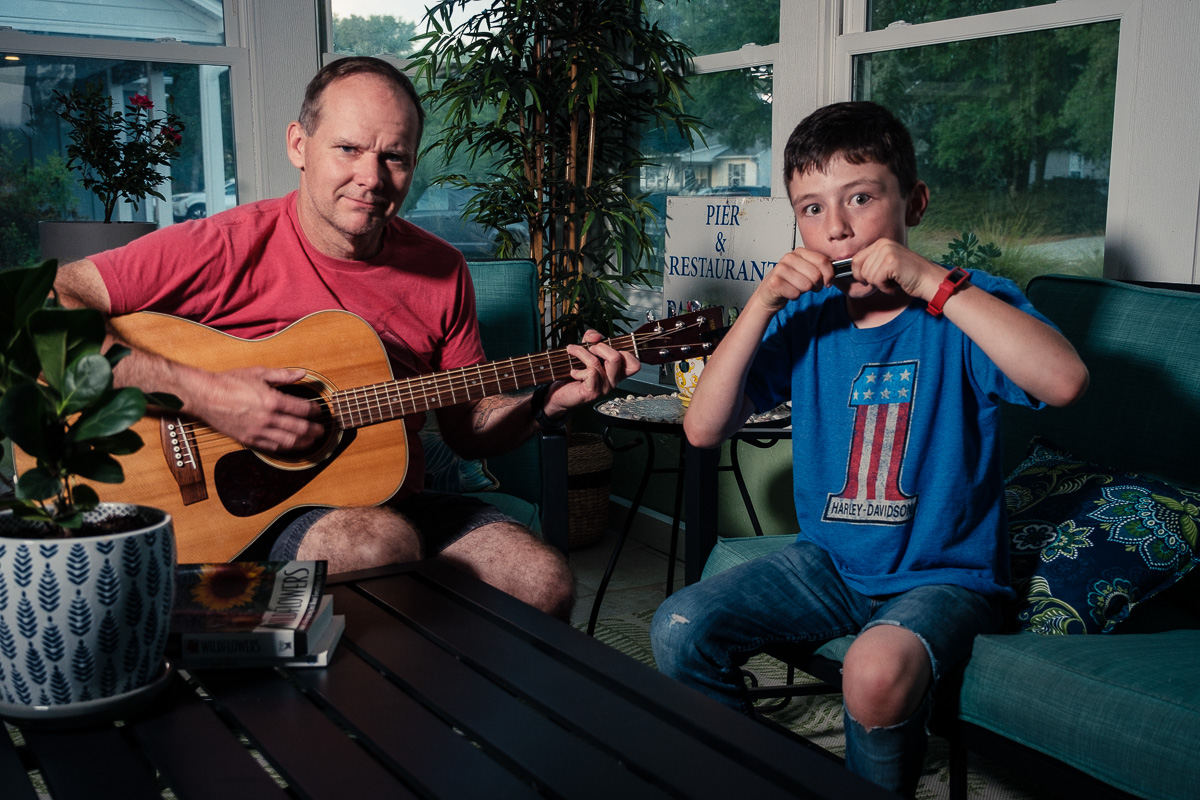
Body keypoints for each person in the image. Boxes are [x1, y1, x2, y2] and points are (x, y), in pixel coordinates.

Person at [54, 56, 638, 621]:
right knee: (377, 547)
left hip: (396, 496)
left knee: (542, 582)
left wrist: (545, 403)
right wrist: (208, 397)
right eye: (349, 149)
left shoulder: (442, 270)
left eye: (394, 157)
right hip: (251, 513)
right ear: (299, 146)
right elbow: (50, 305)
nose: (372, 178)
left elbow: (467, 430)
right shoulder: (226, 244)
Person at [649, 101, 1089, 796]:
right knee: (679, 626)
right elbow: (704, 428)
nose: (838, 227)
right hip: (829, 562)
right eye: (812, 209)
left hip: (945, 575)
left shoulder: (966, 305)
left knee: (873, 669)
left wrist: (932, 282)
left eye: (860, 198)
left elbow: (1064, 381)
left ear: (913, 201)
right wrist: (761, 303)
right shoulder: (805, 315)